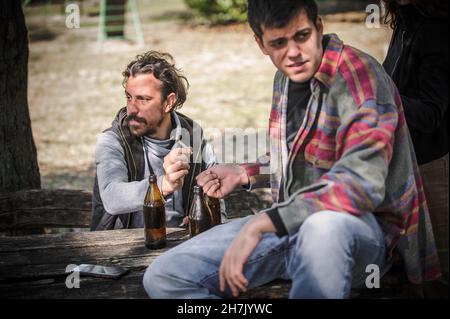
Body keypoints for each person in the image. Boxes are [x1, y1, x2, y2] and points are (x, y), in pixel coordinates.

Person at [143, 0, 441, 299]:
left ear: (319, 27)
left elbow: (360, 184)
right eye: (279, 42)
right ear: (261, 44)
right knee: (164, 276)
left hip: (359, 235)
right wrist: (245, 172)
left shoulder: (360, 76)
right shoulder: (284, 79)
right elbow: (302, 160)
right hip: (290, 225)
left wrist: (263, 222)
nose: (294, 53)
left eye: (302, 36)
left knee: (323, 227)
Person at [91, 51, 225, 230]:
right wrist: (164, 184)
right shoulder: (113, 140)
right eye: (129, 97)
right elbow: (112, 197)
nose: (132, 108)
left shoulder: (194, 139)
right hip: (122, 248)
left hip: (181, 246)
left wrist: (207, 215)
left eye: (143, 99)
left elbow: (216, 198)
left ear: (169, 102)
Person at [382, 0, 449, 293]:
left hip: (434, 165)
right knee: (416, 271)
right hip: (406, 163)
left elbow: (432, 114)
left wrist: (381, 96)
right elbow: (390, 80)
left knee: (442, 273)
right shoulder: (406, 19)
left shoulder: (438, 28)